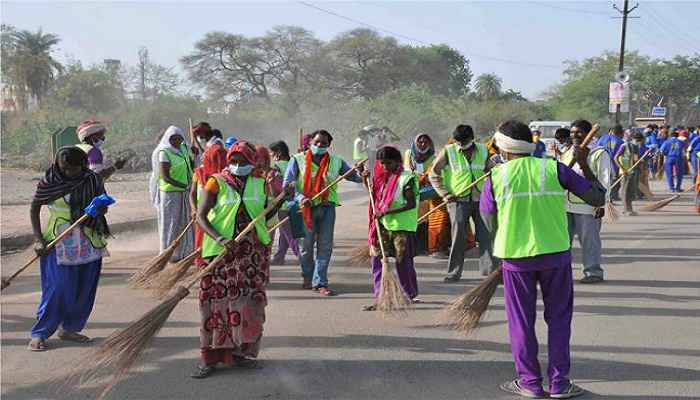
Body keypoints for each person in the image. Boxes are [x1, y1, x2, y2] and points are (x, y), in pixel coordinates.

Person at [480, 120, 605, 399]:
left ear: (503, 148)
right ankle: (560, 384)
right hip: (555, 256)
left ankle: (530, 384)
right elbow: (597, 198)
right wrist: (584, 165)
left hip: (515, 259)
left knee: (521, 322)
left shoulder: (495, 177)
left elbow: (488, 220)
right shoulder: (554, 168)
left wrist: (505, 237)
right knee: (559, 320)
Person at [193, 141, 289, 378]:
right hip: (221, 254)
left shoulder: (259, 183)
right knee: (216, 306)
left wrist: (283, 197)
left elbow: (268, 213)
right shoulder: (216, 181)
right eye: (233, 161)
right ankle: (211, 358)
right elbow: (201, 216)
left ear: (251, 162)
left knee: (248, 305)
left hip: (251, 256)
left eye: (242, 162)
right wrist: (221, 239)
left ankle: (241, 353)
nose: (237, 166)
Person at [28, 146, 110, 351]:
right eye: (64, 168)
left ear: (82, 165)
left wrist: (98, 207)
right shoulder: (50, 180)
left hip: (89, 240)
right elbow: (34, 207)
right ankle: (40, 332)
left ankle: (70, 328)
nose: (67, 172)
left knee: (84, 288)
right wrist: (38, 240)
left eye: (73, 169)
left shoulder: (92, 179)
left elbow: (105, 205)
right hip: (59, 240)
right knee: (56, 288)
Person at [283, 129, 364, 295]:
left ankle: (320, 282)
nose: (320, 145)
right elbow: (287, 187)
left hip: (327, 208)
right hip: (303, 209)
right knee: (305, 247)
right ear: (310, 143)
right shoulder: (297, 160)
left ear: (329, 145)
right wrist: (300, 198)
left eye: (324, 143)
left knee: (325, 246)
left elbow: (354, 177)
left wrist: (362, 173)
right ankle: (307, 275)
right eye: (317, 143)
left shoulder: (336, 161)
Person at [429, 124, 496, 282]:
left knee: (486, 235)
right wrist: (445, 194)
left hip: (480, 199)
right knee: (459, 237)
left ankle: (489, 273)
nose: (460, 144)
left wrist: (493, 177)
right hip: (457, 200)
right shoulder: (448, 151)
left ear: (472, 139)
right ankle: (453, 273)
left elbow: (491, 171)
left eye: (463, 141)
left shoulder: (483, 150)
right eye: (457, 141)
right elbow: (433, 174)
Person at [362, 146, 420, 310]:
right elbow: (374, 196)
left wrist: (387, 211)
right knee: (378, 261)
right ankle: (381, 296)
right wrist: (364, 180)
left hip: (402, 227)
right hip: (382, 226)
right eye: (382, 163)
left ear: (397, 161)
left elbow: (411, 203)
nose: (385, 167)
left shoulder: (406, 178)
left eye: (389, 163)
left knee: (403, 262)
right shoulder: (381, 178)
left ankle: (408, 294)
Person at [562, 119, 611, 283]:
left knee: (590, 242)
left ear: (588, 132)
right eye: (572, 132)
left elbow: (605, 181)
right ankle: (562, 274)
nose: (575, 135)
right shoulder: (568, 151)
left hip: (588, 206)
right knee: (562, 243)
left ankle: (593, 272)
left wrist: (602, 203)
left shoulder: (599, 153)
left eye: (579, 132)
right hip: (566, 205)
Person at [149, 126, 195, 262]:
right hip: (170, 193)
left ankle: (185, 251)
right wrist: (184, 185)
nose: (176, 141)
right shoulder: (164, 152)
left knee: (185, 221)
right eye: (173, 139)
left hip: (184, 191)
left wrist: (194, 153)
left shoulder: (183, 149)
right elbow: (165, 176)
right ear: (167, 139)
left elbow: (190, 165)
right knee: (171, 223)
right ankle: (168, 253)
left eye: (179, 138)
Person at [403, 133, 448, 256]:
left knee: (428, 221)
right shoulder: (408, 155)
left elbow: (436, 174)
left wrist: (426, 179)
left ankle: (430, 247)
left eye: (425, 142)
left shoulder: (434, 157)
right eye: (420, 142)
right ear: (415, 143)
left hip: (427, 192)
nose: (422, 144)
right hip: (411, 190)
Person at [190, 125, 228, 264]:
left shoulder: (217, 150)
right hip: (205, 200)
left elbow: (219, 169)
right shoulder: (200, 171)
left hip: (214, 199)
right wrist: (194, 209)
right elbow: (192, 193)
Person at [269, 140, 300, 265]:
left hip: (284, 206)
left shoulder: (276, 168)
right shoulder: (295, 163)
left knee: (290, 235)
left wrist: (270, 183)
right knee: (284, 234)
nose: (271, 156)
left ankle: (304, 258)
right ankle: (279, 257)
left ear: (278, 153)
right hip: (298, 203)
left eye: (272, 153)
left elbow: (277, 189)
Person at [614, 130, 640, 216]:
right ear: (625, 135)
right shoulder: (623, 146)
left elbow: (635, 159)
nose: (630, 136)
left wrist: (640, 160)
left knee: (630, 191)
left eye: (631, 134)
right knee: (625, 191)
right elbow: (616, 158)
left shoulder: (634, 146)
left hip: (632, 171)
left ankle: (630, 208)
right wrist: (623, 169)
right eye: (629, 134)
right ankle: (626, 210)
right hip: (624, 172)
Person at [597, 125, 624, 200]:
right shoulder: (620, 142)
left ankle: (603, 195)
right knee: (615, 181)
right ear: (620, 133)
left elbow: (597, 148)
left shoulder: (602, 138)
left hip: (601, 161)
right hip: (614, 164)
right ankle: (612, 196)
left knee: (602, 179)